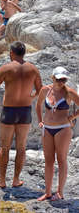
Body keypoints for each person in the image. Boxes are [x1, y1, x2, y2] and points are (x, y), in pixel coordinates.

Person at [0, 41, 42, 188]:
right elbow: (40, 90)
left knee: (4, 148)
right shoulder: (33, 69)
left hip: (9, 111)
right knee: (21, 148)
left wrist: (2, 80)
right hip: (25, 110)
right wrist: (30, 97)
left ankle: (2, 180)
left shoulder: (6, 68)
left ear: (12, 53)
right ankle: (16, 180)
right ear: (24, 53)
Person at [36, 67, 79, 201]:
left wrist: (71, 117)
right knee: (48, 161)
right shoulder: (45, 90)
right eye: (58, 78)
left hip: (63, 129)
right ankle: (48, 192)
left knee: (61, 160)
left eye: (63, 79)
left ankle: (60, 192)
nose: (60, 81)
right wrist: (40, 121)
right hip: (47, 128)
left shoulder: (69, 93)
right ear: (52, 77)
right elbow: (38, 105)